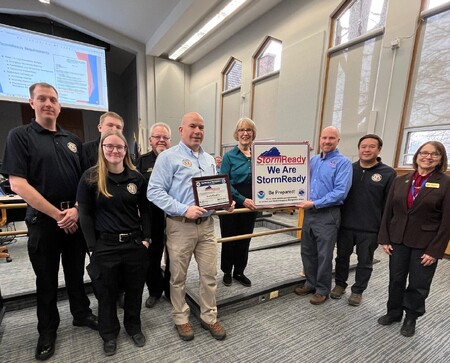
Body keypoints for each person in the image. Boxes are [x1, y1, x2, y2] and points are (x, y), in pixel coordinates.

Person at [0, 82, 97, 361]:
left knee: (76, 273)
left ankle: (81, 314)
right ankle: (47, 330)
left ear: (59, 105)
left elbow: (84, 181)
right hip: (44, 222)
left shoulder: (72, 140)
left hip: (74, 220)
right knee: (46, 279)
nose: (48, 104)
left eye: (53, 99)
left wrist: (77, 210)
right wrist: (58, 215)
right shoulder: (19, 136)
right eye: (42, 99)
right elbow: (18, 184)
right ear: (31, 103)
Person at [148, 112, 234, 342]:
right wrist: (183, 209)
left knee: (209, 274)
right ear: (181, 130)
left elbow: (213, 191)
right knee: (178, 276)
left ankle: (208, 316)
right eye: (193, 126)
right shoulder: (167, 157)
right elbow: (153, 191)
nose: (198, 131)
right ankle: (181, 318)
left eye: (201, 127)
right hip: (180, 226)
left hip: (207, 226)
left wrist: (224, 203)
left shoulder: (208, 159)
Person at [77, 130, 151, 356]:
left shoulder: (136, 178)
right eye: (109, 146)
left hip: (133, 244)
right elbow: (85, 215)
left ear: (125, 150)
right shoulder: (90, 177)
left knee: (135, 290)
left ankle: (133, 327)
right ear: (102, 148)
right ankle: (109, 335)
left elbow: (146, 211)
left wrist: (147, 239)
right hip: (105, 247)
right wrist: (91, 247)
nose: (114, 150)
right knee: (106, 294)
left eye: (119, 147)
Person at [377, 141, 450, 337]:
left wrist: (435, 250)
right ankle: (393, 312)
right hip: (398, 239)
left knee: (418, 284)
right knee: (396, 279)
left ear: (441, 159)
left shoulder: (445, 183)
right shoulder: (401, 180)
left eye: (435, 154)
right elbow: (388, 212)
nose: (428, 157)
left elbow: (447, 221)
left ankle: (411, 317)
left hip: (425, 244)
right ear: (416, 155)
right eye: (424, 152)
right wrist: (384, 238)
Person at [330, 134, 396, 306]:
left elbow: (390, 206)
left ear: (379, 149)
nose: (367, 150)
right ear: (359, 149)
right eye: (363, 146)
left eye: (371, 146)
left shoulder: (388, 173)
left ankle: (358, 290)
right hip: (345, 225)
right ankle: (339, 284)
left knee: (365, 261)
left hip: (370, 228)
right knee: (341, 257)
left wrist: (385, 231)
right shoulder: (348, 168)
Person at [294, 126, 352, 305]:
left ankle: (322, 289)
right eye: (324, 138)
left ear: (338, 141)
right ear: (319, 139)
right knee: (307, 251)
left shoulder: (343, 163)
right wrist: (301, 154)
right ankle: (310, 283)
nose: (327, 141)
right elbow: (294, 173)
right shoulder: (313, 161)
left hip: (327, 214)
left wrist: (315, 203)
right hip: (309, 213)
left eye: (331, 138)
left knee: (324, 254)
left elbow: (341, 192)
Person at [135, 122, 172, 308]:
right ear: (150, 140)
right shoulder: (141, 162)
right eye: (157, 137)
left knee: (174, 258)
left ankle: (171, 290)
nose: (161, 140)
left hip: (175, 217)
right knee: (152, 258)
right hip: (152, 218)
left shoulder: (177, 158)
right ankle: (155, 291)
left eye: (165, 137)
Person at [219, 118, 258, 287]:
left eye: (248, 130)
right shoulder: (229, 157)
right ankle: (227, 271)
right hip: (232, 202)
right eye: (242, 130)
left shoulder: (259, 156)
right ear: (237, 134)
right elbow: (225, 182)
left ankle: (239, 271)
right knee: (230, 239)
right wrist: (243, 200)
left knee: (245, 239)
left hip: (253, 202)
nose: (245, 133)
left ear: (253, 134)